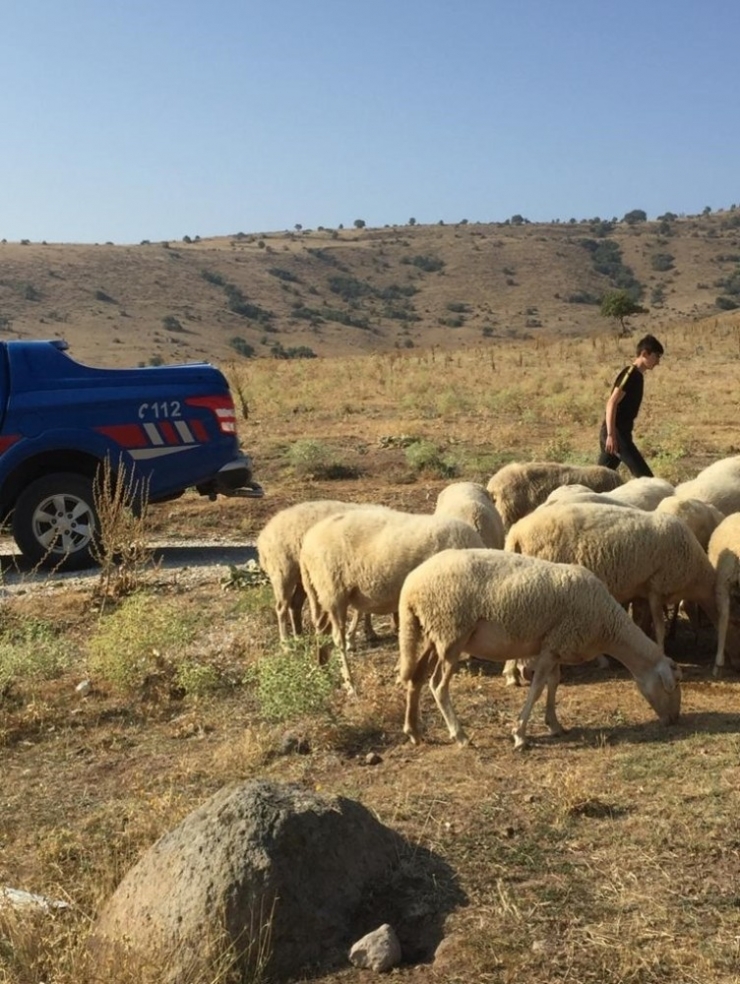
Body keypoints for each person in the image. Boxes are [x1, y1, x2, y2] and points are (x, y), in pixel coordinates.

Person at [597, 333, 664, 478]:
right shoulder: (630, 373)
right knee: (646, 478)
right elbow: (611, 403)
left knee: (600, 480)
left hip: (621, 433)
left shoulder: (638, 376)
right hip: (616, 433)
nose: (658, 361)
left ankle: (579, 498)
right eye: (657, 356)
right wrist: (610, 435)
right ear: (645, 353)